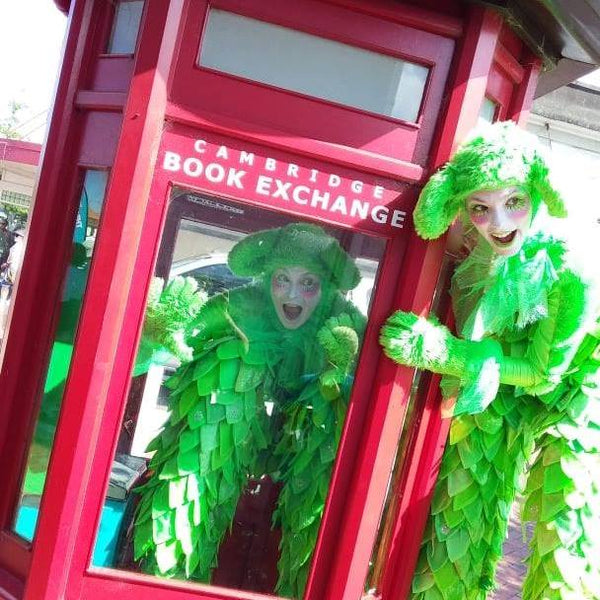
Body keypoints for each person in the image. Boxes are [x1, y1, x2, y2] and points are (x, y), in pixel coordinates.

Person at [380, 122, 600, 599]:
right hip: (500, 371)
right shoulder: (479, 251)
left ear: (538, 193)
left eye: (514, 202)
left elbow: (544, 374)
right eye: (481, 208)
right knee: (463, 500)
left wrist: (445, 353)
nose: (499, 223)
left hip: (578, 393)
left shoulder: (571, 270)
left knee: (563, 534)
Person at [133, 223, 365, 598]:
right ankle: (168, 583)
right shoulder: (240, 306)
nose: (293, 295)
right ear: (267, 278)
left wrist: (342, 372)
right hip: (233, 425)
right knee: (224, 381)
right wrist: (152, 335)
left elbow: (386, 393)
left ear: (327, 286)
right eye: (282, 280)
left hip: (308, 437)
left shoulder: (345, 319)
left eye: (308, 283)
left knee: (318, 500)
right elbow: (168, 345)